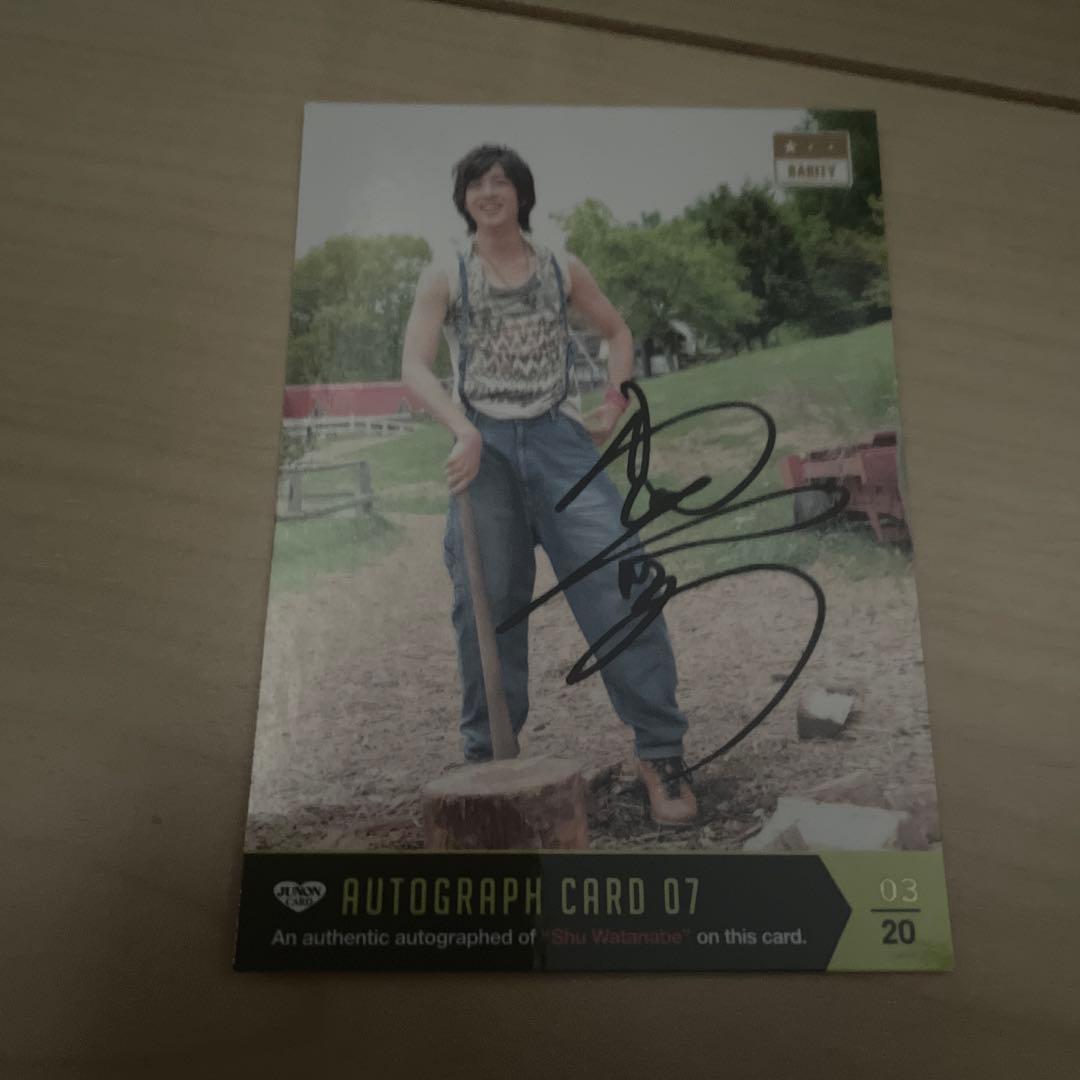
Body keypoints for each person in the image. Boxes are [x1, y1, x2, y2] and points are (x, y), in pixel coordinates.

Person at [400, 144, 696, 825]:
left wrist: (614, 403)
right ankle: (490, 768)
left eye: (500, 181)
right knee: (487, 603)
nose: (488, 192)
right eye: (476, 183)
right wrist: (461, 430)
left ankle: (661, 753)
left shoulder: (562, 266)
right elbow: (414, 366)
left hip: (561, 443)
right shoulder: (446, 274)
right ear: (463, 198)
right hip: (484, 447)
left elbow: (617, 331)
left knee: (621, 580)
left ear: (521, 193)